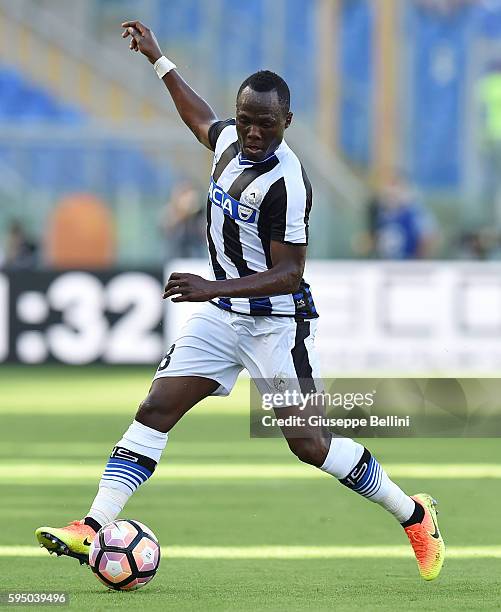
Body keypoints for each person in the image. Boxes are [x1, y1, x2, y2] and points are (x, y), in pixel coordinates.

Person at [36, 20, 445, 581]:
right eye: (247, 120)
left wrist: (210, 287)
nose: (252, 133)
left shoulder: (289, 183)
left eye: (266, 124)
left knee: (311, 445)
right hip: (222, 318)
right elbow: (198, 117)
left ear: (287, 123)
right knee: (156, 408)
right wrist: (160, 61)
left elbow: (288, 274)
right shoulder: (229, 139)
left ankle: (414, 514)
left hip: (278, 326)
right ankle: (91, 526)